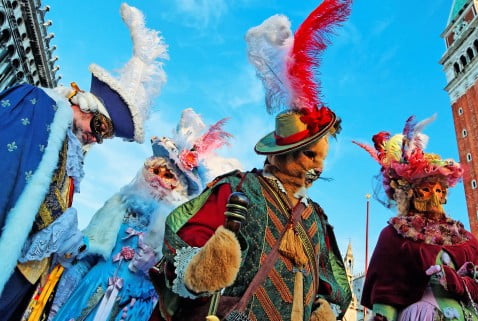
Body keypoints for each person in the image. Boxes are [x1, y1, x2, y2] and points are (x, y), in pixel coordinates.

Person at [150, 1, 353, 320]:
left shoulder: (316, 218)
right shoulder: (237, 186)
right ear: (280, 154)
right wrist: (202, 267)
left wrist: (325, 306)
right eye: (310, 155)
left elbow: (333, 282)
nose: (320, 168)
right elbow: (182, 240)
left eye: (323, 158)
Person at [0, 3, 168, 320]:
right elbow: (17, 177)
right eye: (99, 127)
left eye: (104, 136)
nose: (96, 139)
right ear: (84, 105)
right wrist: (66, 230)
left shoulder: (69, 150)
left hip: (27, 274)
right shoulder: (38, 107)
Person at [47, 108, 239, 321]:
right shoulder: (120, 204)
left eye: (168, 176)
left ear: (179, 188)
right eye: (156, 171)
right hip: (89, 294)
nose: (159, 179)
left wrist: (157, 265)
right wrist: (59, 303)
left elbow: (178, 286)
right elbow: (85, 258)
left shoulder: (178, 228)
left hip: (135, 309)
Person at [354, 116, 478, 321]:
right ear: (410, 194)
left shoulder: (464, 238)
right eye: (425, 188)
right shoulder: (394, 235)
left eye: (439, 190)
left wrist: (465, 285)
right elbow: (385, 298)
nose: (434, 195)